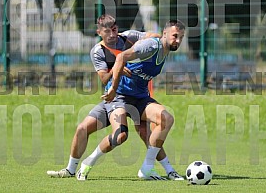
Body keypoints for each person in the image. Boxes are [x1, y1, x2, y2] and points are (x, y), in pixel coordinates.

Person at [47, 14, 181, 180]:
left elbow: (149, 36)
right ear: (99, 32)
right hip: (116, 96)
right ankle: (74, 168)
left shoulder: (130, 37)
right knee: (109, 133)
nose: (112, 34)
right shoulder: (98, 51)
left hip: (139, 97)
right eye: (107, 31)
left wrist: (156, 39)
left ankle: (167, 170)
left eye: (115, 30)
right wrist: (116, 69)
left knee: (158, 124)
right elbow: (104, 78)